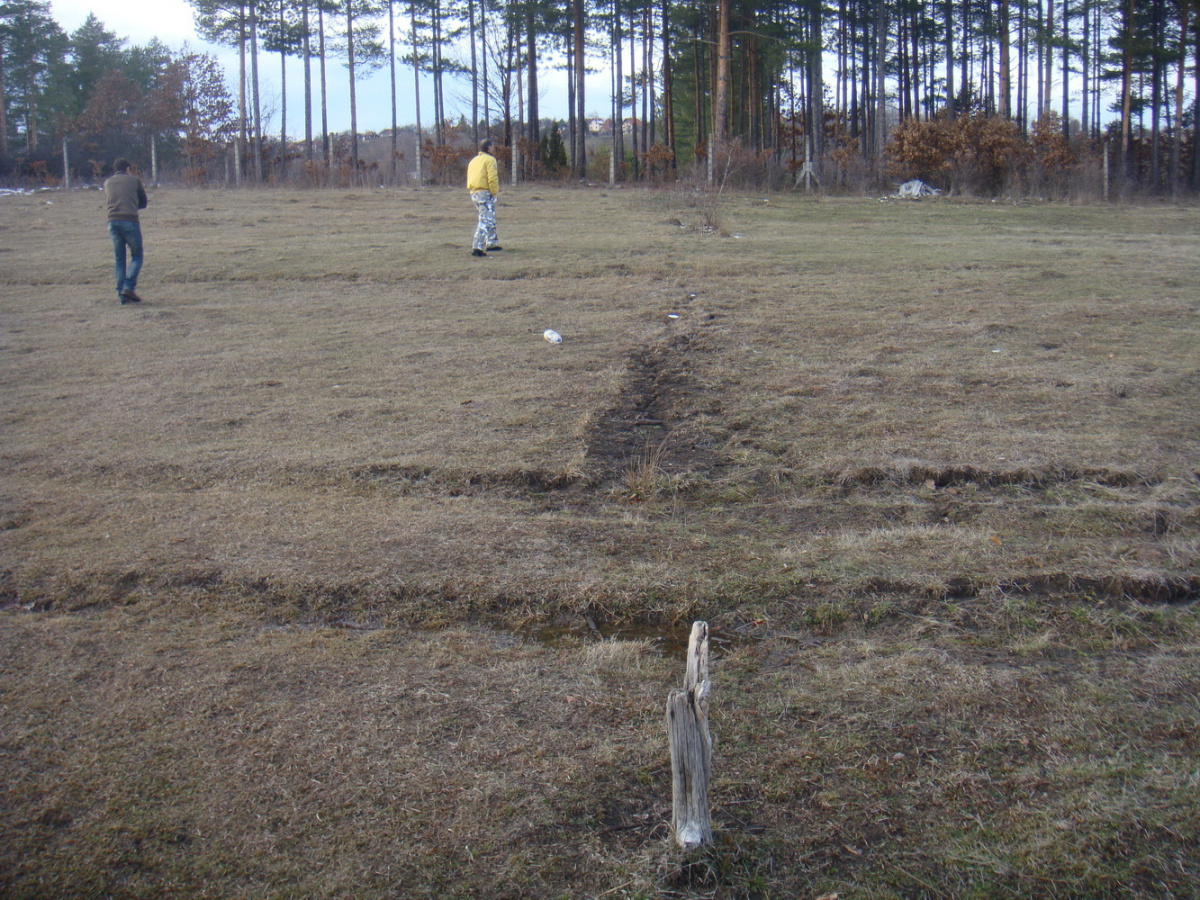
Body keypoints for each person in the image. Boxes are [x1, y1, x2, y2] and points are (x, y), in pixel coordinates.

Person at [103, 158, 148, 304]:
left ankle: (122, 294)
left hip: (112, 222)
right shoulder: (134, 181)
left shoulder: (107, 183)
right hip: (129, 221)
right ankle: (128, 287)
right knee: (137, 255)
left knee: (119, 259)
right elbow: (143, 202)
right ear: (128, 169)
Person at [466, 139, 502, 257]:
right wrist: (494, 192)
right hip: (485, 192)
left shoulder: (473, 161)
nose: (494, 149)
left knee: (489, 216)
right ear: (488, 148)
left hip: (474, 192)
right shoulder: (490, 160)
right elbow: (492, 178)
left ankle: (492, 242)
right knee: (486, 219)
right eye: (492, 147)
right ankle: (477, 246)